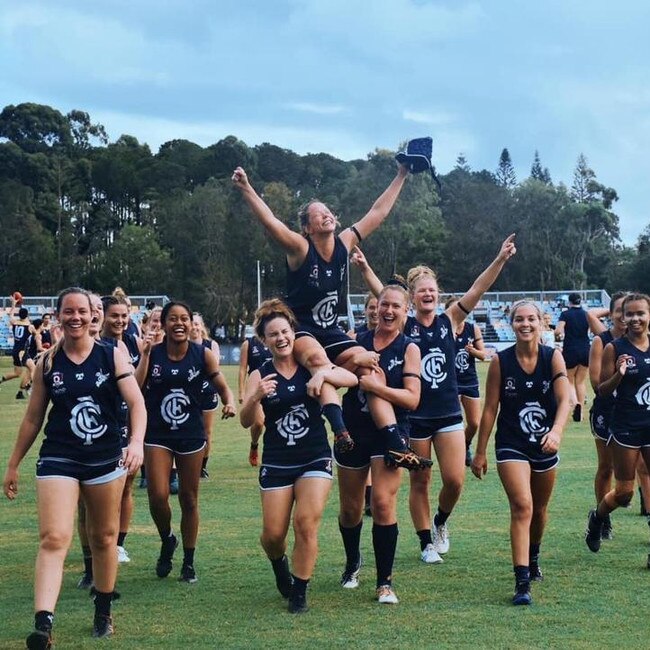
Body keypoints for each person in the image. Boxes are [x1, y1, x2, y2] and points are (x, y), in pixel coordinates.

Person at [232, 164, 427, 468]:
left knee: (371, 364)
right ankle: (341, 432)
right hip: (303, 329)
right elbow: (271, 222)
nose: (326, 215)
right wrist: (246, 188)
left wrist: (402, 174)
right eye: (318, 213)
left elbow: (378, 212)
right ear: (307, 228)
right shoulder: (300, 248)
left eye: (328, 211)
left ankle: (395, 443)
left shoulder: (345, 242)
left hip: (331, 330)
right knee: (319, 363)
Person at [2, 287, 146, 647]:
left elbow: (137, 404)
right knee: (54, 538)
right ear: (58, 316)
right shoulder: (49, 362)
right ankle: (43, 625)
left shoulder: (112, 356)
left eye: (82, 311)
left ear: (93, 315)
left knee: (103, 538)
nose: (76, 317)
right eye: (69, 312)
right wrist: (13, 464)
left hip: (104, 459)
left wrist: (136, 443)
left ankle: (102, 610)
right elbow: (34, 419)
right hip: (59, 457)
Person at [240, 299, 358, 613]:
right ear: (264, 341)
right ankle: (279, 565)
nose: (280, 338)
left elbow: (351, 379)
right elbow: (245, 420)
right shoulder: (260, 373)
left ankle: (299, 592)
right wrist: (256, 397)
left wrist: (322, 376)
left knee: (305, 523)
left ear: (294, 331)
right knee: (273, 536)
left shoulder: (309, 363)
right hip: (277, 460)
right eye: (273, 335)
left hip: (314, 456)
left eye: (284, 331)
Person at [404, 236, 516, 563]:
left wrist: (500, 258)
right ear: (412, 297)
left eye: (431, 289)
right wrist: (365, 267)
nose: (427, 293)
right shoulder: (403, 324)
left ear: (438, 294)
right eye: (421, 290)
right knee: (420, 480)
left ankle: (440, 521)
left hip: (449, 413)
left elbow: (477, 289)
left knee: (454, 480)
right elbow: (381, 298)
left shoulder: (449, 319)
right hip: (416, 417)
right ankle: (426, 543)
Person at [471, 300, 570, 606]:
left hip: (544, 443)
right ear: (511, 324)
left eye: (531, 319)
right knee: (522, 506)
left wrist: (555, 432)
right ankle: (522, 581)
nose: (525, 324)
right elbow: (490, 409)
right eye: (519, 320)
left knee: (539, 510)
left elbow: (566, 401)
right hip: (511, 442)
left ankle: (534, 554)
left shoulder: (553, 357)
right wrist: (480, 451)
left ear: (542, 323)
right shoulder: (501, 361)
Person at [135, 301, 236, 584]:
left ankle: (188, 562)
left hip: (191, 434)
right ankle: (168, 539)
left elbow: (220, 383)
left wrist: (229, 401)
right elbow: (136, 385)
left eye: (184, 319)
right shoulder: (152, 353)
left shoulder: (202, 354)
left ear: (191, 323)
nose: (179, 324)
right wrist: (144, 356)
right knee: (157, 495)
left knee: (189, 499)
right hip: (157, 434)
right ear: (163, 324)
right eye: (172, 319)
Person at [336, 282, 421, 604]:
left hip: (391, 432)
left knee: (384, 503)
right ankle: (352, 561)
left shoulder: (408, 348)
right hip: (353, 429)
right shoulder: (356, 340)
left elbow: (412, 399)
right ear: (374, 308)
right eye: (384, 304)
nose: (388, 311)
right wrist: (357, 362)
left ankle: (384, 582)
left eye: (396, 306)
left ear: (405, 311)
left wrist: (378, 387)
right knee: (350, 508)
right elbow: (335, 374)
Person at [585, 293, 650, 554]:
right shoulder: (615, 348)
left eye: (640, 313)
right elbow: (601, 389)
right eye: (629, 314)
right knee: (624, 493)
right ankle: (597, 518)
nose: (635, 319)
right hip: (625, 426)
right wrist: (619, 375)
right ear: (622, 317)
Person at [586, 292, 628, 540]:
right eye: (619, 311)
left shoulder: (640, 341)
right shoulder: (602, 341)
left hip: (634, 413)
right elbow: (596, 382)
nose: (624, 316)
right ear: (610, 314)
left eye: (629, 311)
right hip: (607, 411)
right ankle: (604, 519)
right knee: (606, 467)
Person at [445, 296, 487, 467]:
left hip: (469, 381)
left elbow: (484, 355)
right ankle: (457, 454)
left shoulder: (472, 329)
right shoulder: (444, 329)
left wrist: (472, 350)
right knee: (455, 421)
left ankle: (466, 443)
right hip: (451, 382)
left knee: (474, 422)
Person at [190, 312, 221, 479]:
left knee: (206, 432)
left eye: (197, 324)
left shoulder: (211, 345)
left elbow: (213, 369)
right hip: (189, 395)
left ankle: (202, 465)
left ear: (201, 326)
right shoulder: (181, 345)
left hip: (208, 393)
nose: (194, 327)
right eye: (192, 323)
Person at [554, 292, 590, 421]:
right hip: (586, 348)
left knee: (569, 380)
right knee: (580, 381)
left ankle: (576, 404)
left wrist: (557, 336)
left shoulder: (566, 314)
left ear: (569, 302)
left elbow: (558, 330)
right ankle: (581, 414)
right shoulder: (586, 314)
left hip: (571, 349)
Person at [238, 333, 272, 467]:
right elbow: (242, 369)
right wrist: (241, 391)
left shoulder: (274, 338)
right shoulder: (248, 344)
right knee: (258, 423)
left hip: (275, 386)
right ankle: (254, 445)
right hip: (256, 388)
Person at [0, 296, 31, 398]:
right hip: (22, 351)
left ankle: (2, 380)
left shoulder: (15, 323)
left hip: (15, 350)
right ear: (27, 315)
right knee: (32, 369)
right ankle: (23, 389)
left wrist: (13, 304)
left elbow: (11, 315)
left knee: (18, 373)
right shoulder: (29, 325)